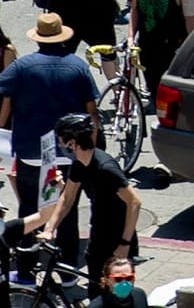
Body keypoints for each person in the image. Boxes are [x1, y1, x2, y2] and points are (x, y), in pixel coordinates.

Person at [42, 112, 143, 287]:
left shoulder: (105, 168)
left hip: (118, 239)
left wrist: (125, 244)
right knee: (97, 290)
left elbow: (134, 202)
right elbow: (67, 197)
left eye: (60, 140)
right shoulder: (79, 164)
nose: (59, 145)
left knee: (120, 293)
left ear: (71, 143)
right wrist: (50, 229)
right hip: (98, 235)